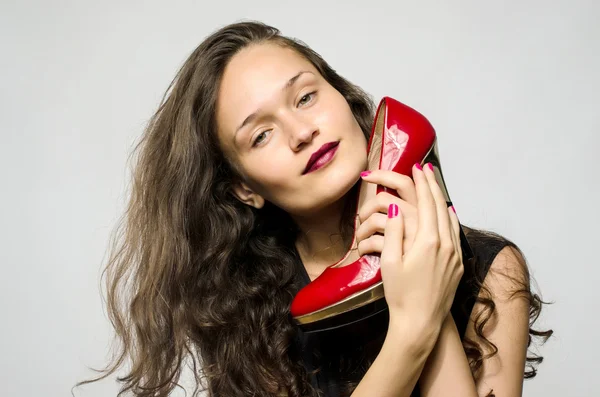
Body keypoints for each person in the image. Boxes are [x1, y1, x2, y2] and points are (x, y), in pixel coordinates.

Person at [76, 20, 552, 397]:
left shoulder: (493, 272)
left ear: (343, 98)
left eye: (306, 96)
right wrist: (415, 322)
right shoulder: (243, 307)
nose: (301, 131)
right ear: (244, 189)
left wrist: (423, 273)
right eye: (261, 134)